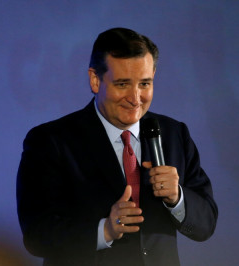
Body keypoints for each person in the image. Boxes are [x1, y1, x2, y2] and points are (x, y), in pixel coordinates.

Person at [17, 27, 218, 266]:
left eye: (145, 83)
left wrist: (177, 198)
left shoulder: (174, 134)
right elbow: (37, 236)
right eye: (123, 84)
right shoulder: (51, 141)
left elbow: (205, 224)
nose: (135, 98)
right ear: (95, 79)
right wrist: (105, 230)